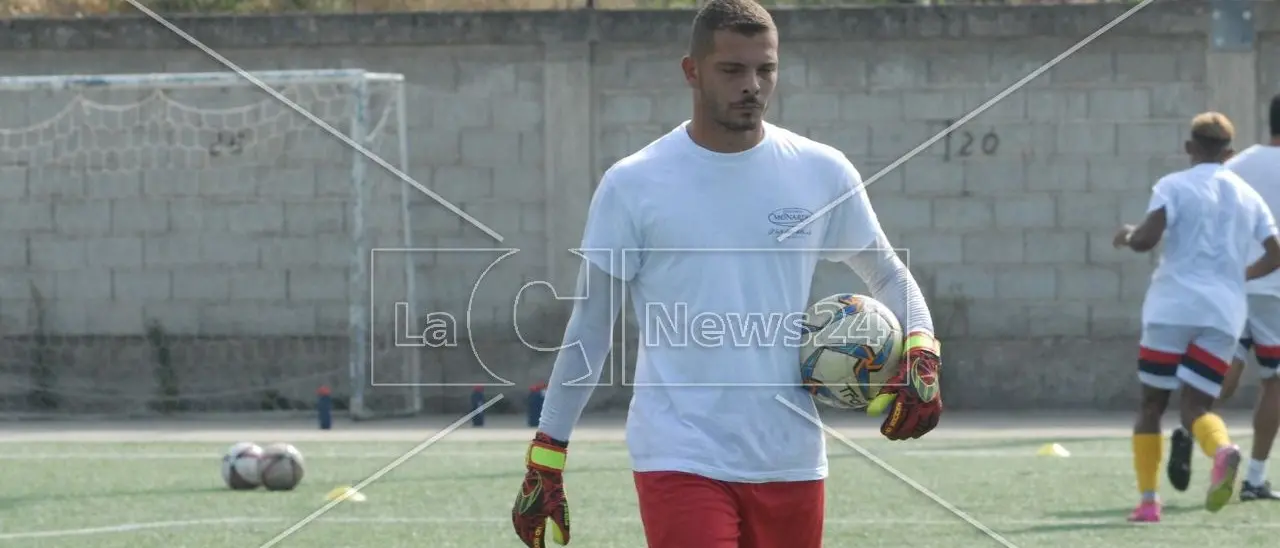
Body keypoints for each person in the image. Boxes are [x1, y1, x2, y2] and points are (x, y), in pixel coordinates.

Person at [509, 1, 941, 546]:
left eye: (766, 69)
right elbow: (591, 328)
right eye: (733, 70)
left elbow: (886, 271)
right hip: (679, 454)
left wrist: (923, 348)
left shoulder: (820, 171)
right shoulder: (635, 184)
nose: (752, 86)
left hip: (791, 458)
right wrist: (548, 449)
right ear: (692, 71)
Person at [1114, 111, 1280, 523]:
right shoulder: (1247, 196)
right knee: (1198, 405)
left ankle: (1149, 501)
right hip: (1223, 312)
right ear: (1229, 152)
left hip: (1171, 308)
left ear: (1190, 147)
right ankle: (1221, 450)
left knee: (1152, 404)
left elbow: (1147, 239)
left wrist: (1129, 235)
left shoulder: (1172, 185)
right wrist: (1241, 275)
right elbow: (1276, 252)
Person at [1167, 94, 1280, 502]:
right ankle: (1253, 478)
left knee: (1222, 377)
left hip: (1230, 287)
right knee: (1275, 381)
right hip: (1273, 288)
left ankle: (1190, 426)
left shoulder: (1237, 164)